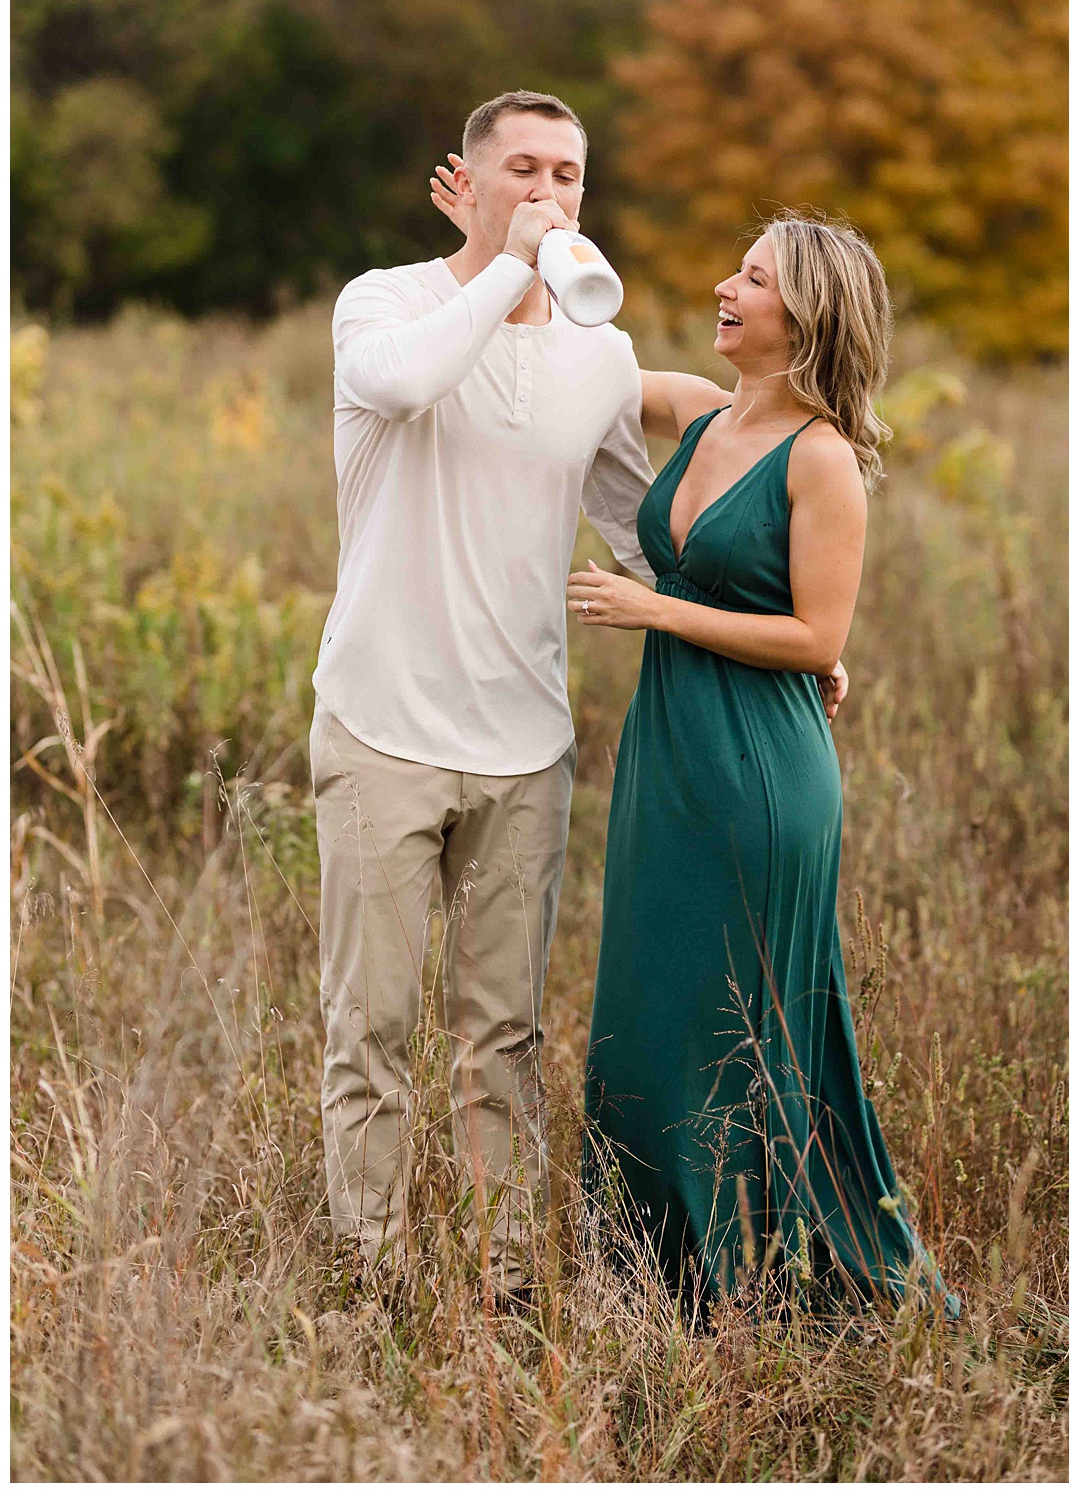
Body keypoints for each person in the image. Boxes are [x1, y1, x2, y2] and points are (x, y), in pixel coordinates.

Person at [567, 212, 959, 1320]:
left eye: (753, 278)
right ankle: (650, 1272)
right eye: (734, 267)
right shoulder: (700, 410)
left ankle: (759, 1275)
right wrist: (535, 240)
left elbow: (818, 640)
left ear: (809, 315)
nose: (722, 287)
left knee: (738, 1013)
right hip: (668, 754)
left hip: (760, 776)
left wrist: (653, 605)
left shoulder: (824, 458)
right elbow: (569, 362)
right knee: (646, 1007)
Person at [310, 90, 662, 1299]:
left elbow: (635, 529)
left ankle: (507, 1280)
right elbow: (404, 387)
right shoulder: (387, 303)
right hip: (382, 726)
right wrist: (501, 266)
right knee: (370, 1029)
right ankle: (369, 1276)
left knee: (501, 1034)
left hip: (525, 744)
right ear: (467, 179)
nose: (550, 192)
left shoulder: (600, 352)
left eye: (568, 173)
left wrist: (776, 631)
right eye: (524, 168)